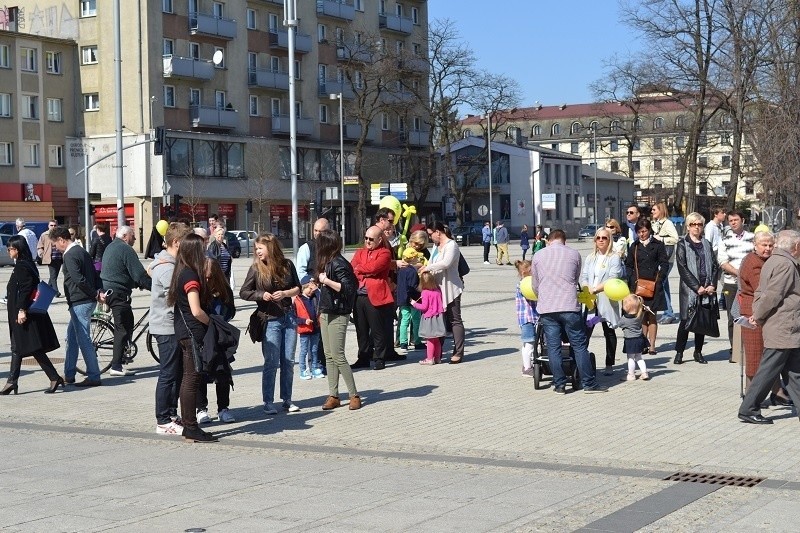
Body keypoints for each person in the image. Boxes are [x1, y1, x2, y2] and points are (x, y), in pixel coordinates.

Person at [737, 230, 800, 424]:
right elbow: (772, 295)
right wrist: (758, 314)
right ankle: (748, 408)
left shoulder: (774, 261)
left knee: (794, 373)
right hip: (783, 326)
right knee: (768, 371)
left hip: (785, 327)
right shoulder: (785, 264)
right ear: (795, 246)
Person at [532, 229, 606, 393]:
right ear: (564, 241)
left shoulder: (538, 256)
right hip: (569, 306)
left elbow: (535, 285)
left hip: (547, 308)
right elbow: (575, 277)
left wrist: (543, 296)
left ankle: (559, 385)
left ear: (549, 241)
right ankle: (589, 384)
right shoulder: (574, 254)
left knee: (553, 347)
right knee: (579, 346)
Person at [240, 233, 302, 415]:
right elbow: (244, 292)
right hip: (270, 320)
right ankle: (268, 401)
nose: (257, 251)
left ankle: (287, 399)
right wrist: (261, 295)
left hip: (289, 317)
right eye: (256, 248)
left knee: (288, 361)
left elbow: (298, 288)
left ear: (270, 247)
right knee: (271, 362)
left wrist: (285, 293)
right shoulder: (256, 269)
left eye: (260, 248)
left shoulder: (287, 265)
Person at [167, 233, 218, 442]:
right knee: (191, 378)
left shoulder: (182, 271)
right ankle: (190, 426)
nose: (205, 252)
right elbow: (196, 310)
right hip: (191, 332)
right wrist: (213, 324)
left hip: (184, 330)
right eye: (202, 248)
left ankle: (190, 426)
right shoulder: (189, 276)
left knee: (190, 378)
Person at [1, 235, 63, 395]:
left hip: (24, 314)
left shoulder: (22, 266)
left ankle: (54, 377)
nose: (9, 251)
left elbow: (26, 289)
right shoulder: (25, 264)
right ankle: (12, 382)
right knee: (17, 347)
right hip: (21, 312)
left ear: (18, 250)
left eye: (11, 249)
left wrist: (22, 310)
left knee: (32, 347)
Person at [150, 222, 192, 435]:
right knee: (168, 373)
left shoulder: (169, 262)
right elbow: (177, 296)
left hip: (170, 325)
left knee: (175, 372)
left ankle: (171, 414)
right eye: (185, 244)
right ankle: (163, 419)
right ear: (176, 242)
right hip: (166, 327)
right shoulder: (167, 267)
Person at [315, 229, 361, 410]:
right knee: (328, 355)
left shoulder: (339, 263)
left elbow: (349, 288)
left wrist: (325, 281)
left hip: (339, 312)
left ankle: (354, 394)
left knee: (338, 355)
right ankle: (333, 394)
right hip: (326, 310)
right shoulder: (327, 262)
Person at [53, 226, 104, 389]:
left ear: (62, 240)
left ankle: (94, 375)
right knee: (72, 337)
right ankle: (69, 373)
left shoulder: (69, 254)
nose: (55, 247)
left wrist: (94, 294)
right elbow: (96, 274)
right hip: (84, 300)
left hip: (80, 301)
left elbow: (78, 279)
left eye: (55, 244)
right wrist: (98, 291)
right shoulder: (82, 251)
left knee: (83, 339)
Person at [100, 225, 152, 376]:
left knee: (128, 321)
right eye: (133, 236)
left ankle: (122, 358)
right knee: (122, 328)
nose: (135, 239)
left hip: (108, 291)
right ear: (125, 236)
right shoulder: (125, 249)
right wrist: (155, 288)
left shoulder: (112, 246)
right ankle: (116, 366)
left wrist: (137, 283)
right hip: (117, 293)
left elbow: (123, 271)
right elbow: (139, 274)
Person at [673, 212, 719, 365]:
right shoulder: (682, 244)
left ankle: (698, 351)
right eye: (693, 224)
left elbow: (714, 266)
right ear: (688, 226)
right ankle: (679, 352)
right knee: (686, 321)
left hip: (707, 288)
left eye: (699, 224)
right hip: (689, 290)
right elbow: (682, 267)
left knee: (702, 321)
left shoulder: (706, 243)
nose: (697, 227)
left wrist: (712, 283)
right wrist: (696, 286)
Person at [196, 257, 236, 425]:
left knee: (222, 373)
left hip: (219, 336)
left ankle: (223, 408)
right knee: (201, 372)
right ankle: (201, 409)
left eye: (210, 277)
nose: (206, 280)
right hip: (202, 335)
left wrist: (220, 321)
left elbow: (230, 310)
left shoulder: (223, 290)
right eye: (204, 277)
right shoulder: (197, 290)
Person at [350, 225, 394, 370]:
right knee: (361, 329)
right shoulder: (359, 252)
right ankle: (363, 357)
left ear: (380, 240)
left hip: (375, 296)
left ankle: (379, 358)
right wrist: (363, 270)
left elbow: (374, 268)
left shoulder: (385, 253)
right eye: (366, 238)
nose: (367, 241)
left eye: (371, 239)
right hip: (359, 296)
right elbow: (352, 268)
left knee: (377, 329)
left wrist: (361, 269)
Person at [422, 221, 466, 364]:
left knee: (454, 319)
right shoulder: (436, 246)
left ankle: (458, 352)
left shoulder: (451, 245)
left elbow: (446, 263)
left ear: (438, 232)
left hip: (451, 288)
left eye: (430, 234)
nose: (430, 238)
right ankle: (436, 353)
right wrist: (423, 267)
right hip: (437, 289)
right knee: (438, 320)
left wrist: (428, 268)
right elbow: (430, 263)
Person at [580, 227, 622, 376]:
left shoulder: (614, 257)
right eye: (598, 238)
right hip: (591, 300)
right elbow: (584, 276)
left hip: (606, 299)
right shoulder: (591, 257)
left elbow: (613, 277)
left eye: (604, 238)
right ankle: (581, 360)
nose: (601, 240)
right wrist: (587, 287)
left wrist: (596, 289)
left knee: (609, 331)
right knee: (586, 330)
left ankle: (609, 363)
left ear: (609, 240)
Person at [625, 219, 669, 355]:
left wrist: (659, 278)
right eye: (639, 232)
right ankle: (643, 344)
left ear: (649, 230)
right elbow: (628, 265)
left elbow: (665, 263)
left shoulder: (657, 245)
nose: (641, 234)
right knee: (641, 316)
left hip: (653, 284)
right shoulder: (634, 246)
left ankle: (652, 346)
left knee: (652, 316)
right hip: (638, 285)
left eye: (644, 231)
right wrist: (632, 279)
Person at [718, 211, 755, 353]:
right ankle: (735, 349)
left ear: (743, 221)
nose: (733, 223)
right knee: (732, 317)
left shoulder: (752, 239)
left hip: (750, 284)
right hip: (731, 283)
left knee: (749, 314)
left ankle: (749, 347)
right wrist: (740, 274)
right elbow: (723, 262)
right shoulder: (724, 240)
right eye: (730, 220)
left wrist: (747, 276)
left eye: (736, 220)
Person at [651, 202, 680, 325]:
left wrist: (661, 239)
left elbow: (676, 238)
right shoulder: (656, 223)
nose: (652, 212)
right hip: (660, 258)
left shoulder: (667, 223)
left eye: (654, 210)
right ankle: (668, 312)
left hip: (667, 259)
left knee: (661, 284)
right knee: (664, 285)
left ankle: (669, 312)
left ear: (661, 210)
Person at [412, 271, 446, 365]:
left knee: (430, 339)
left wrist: (414, 304)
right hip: (438, 317)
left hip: (429, 317)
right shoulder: (438, 291)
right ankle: (438, 358)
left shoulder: (425, 292)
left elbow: (424, 307)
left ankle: (430, 358)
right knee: (437, 339)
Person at [294, 276, 322, 380]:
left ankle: (314, 368)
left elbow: (322, 301)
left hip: (315, 328)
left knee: (314, 350)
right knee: (304, 350)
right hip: (305, 329)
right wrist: (303, 321)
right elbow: (294, 317)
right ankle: (303, 370)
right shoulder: (298, 300)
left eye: (313, 289)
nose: (311, 291)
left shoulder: (315, 297)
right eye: (310, 289)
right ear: (303, 287)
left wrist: (317, 291)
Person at [396, 247, 424, 351]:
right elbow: (412, 286)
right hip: (413, 299)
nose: (417, 259)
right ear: (412, 259)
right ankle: (417, 341)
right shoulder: (412, 271)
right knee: (416, 320)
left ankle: (403, 342)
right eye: (416, 257)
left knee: (404, 320)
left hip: (402, 298)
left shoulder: (401, 270)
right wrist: (420, 291)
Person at [617, 294, 651, 381]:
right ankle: (644, 373)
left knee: (631, 358)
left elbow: (618, 325)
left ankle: (631, 375)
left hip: (630, 340)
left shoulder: (624, 319)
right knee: (639, 357)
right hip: (640, 338)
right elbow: (643, 310)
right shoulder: (639, 315)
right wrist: (644, 309)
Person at [514, 259, 539, 377]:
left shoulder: (531, 283)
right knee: (528, 343)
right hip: (527, 318)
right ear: (524, 273)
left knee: (537, 342)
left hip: (536, 317)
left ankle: (535, 364)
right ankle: (527, 367)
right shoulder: (522, 285)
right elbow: (534, 295)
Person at [36, 220, 62, 298]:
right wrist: (41, 253)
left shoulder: (60, 234)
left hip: (59, 258)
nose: (53, 227)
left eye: (55, 225)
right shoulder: (44, 235)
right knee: (53, 276)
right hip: (50, 258)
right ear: (48, 226)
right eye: (51, 225)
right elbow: (39, 246)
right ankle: (56, 292)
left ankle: (44, 291)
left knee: (54, 276)